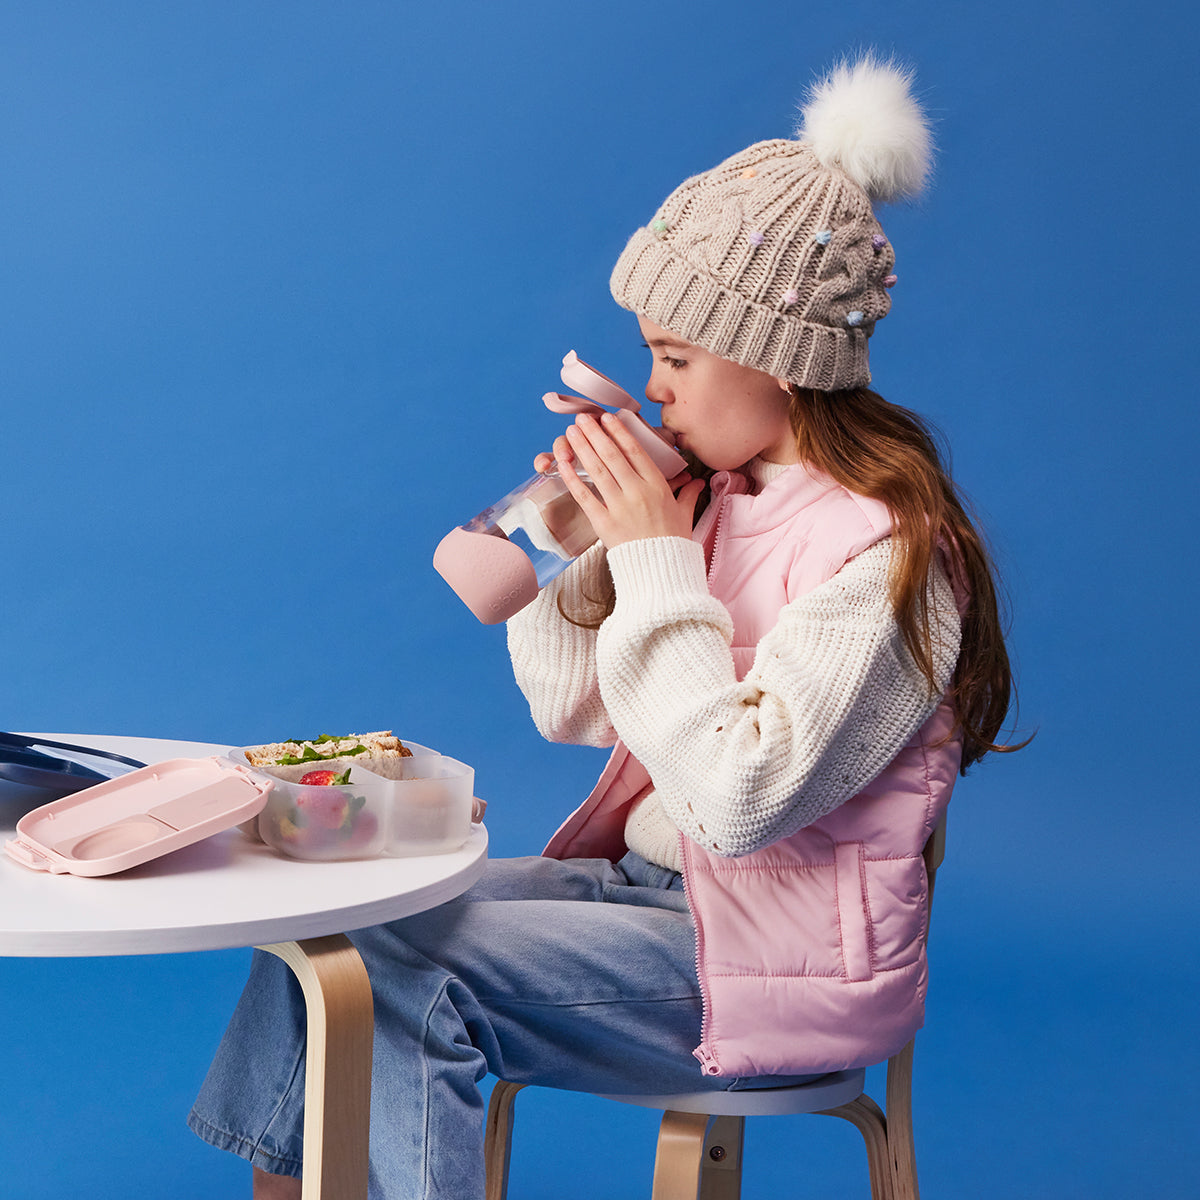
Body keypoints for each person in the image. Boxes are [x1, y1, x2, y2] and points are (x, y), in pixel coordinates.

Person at [188, 54, 1023, 1199]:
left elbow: (737, 799)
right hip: (644, 903)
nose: (657, 388)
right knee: (321, 936)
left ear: (781, 360)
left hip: (771, 958)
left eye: (676, 357)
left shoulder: (891, 555)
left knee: (404, 981)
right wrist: (579, 552)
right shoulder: (725, 505)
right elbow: (576, 708)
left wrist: (653, 556)